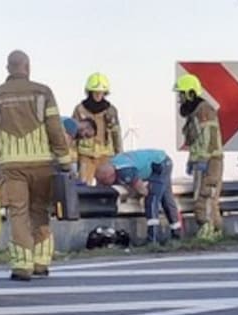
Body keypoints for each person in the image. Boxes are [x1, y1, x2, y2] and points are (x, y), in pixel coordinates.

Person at [0, 50, 73, 280]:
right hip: (42, 165)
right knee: (40, 211)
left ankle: (22, 265)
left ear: (8, 68)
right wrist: (65, 160)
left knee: (18, 214)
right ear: (27, 67)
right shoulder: (43, 92)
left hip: (11, 166)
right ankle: (41, 262)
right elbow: (55, 130)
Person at [93, 149, 183, 244]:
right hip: (162, 159)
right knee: (166, 199)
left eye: (103, 182)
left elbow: (143, 191)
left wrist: (133, 195)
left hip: (159, 165)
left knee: (152, 200)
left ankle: (153, 239)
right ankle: (177, 234)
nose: (103, 185)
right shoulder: (114, 165)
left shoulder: (125, 171)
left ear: (110, 176)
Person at [175, 74, 224, 241]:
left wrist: (202, 160)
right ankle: (214, 230)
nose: (179, 99)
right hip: (201, 161)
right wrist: (192, 160)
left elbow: (207, 137)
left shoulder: (204, 110)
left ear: (190, 93)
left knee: (205, 197)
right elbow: (195, 141)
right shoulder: (195, 113)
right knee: (204, 197)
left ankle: (208, 230)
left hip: (210, 162)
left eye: (181, 94)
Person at [73, 73, 124, 185]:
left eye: (101, 92)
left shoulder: (111, 110)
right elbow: (73, 134)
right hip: (86, 155)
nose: (98, 95)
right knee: (83, 187)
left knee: (107, 187)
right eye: (95, 92)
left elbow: (116, 133)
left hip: (105, 155)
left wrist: (120, 156)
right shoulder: (79, 109)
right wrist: (72, 158)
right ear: (90, 92)